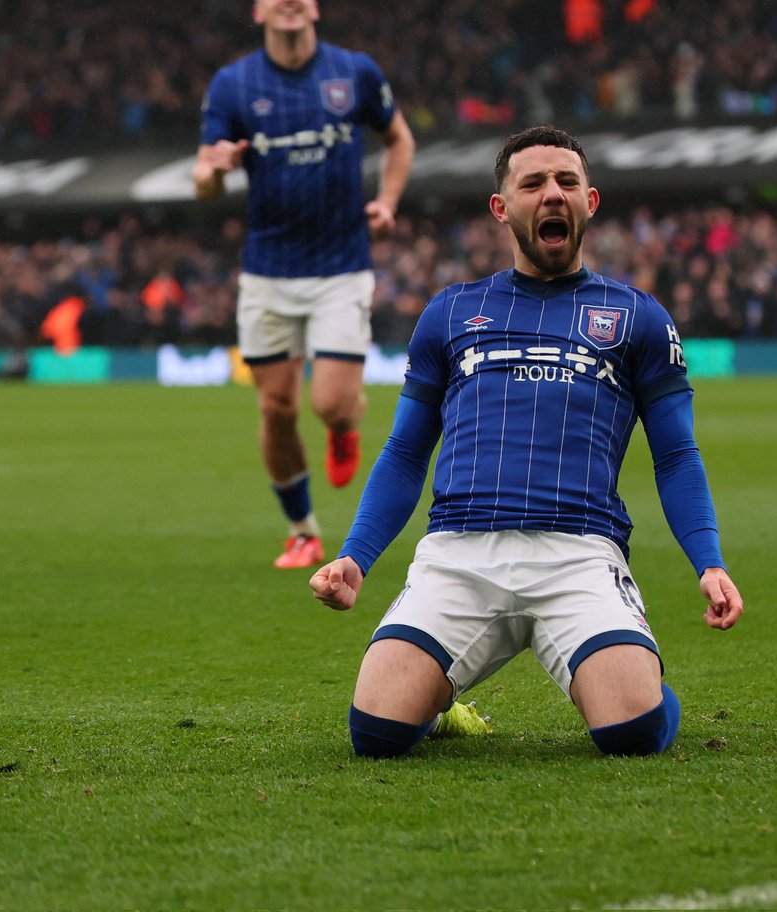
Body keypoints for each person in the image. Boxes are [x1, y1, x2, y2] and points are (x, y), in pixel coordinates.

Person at [310, 125, 743, 759]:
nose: (552, 194)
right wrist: (356, 557)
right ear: (502, 207)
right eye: (533, 183)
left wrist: (708, 562)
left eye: (567, 182)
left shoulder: (638, 317)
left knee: (632, 734)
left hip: (578, 553)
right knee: (374, 734)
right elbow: (405, 452)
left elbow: (677, 455)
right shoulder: (451, 313)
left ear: (590, 202)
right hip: (460, 553)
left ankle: (636, 679)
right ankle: (439, 701)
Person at [194, 0, 415, 568]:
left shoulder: (355, 72)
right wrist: (212, 171)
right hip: (266, 270)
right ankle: (302, 530)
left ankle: (345, 428)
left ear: (313, 5)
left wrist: (388, 202)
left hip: (342, 265)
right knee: (275, 407)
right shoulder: (233, 85)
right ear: (259, 10)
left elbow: (400, 138)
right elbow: (203, 179)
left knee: (329, 402)